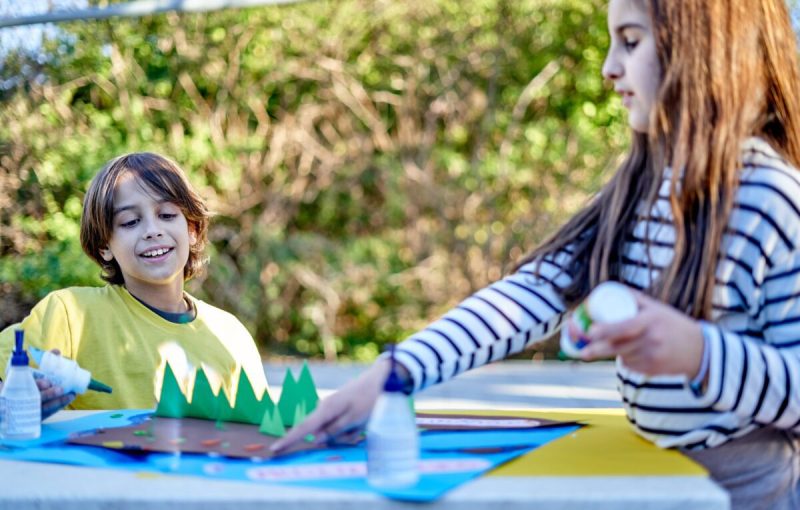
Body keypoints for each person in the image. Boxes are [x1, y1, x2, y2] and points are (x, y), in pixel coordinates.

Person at [273, 1, 800, 508]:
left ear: (706, 46)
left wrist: (699, 353)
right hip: (664, 476)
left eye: (631, 41)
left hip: (749, 487)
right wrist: (396, 373)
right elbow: (533, 293)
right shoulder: (643, 185)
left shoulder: (771, 197)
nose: (609, 67)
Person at [0, 152, 268, 419]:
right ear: (105, 245)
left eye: (166, 215)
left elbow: (257, 432)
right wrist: (13, 400)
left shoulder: (230, 334)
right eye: (130, 221)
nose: (152, 230)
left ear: (192, 229)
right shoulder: (70, 314)